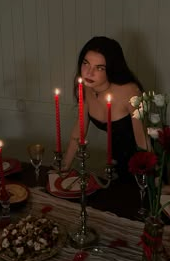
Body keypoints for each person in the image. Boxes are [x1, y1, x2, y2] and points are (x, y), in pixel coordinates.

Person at [62, 36, 149, 181]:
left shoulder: (130, 92)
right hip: (115, 159)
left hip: (144, 160)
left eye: (99, 68)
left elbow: (143, 140)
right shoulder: (84, 86)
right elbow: (79, 132)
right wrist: (64, 167)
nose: (89, 73)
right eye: (86, 64)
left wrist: (156, 181)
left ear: (111, 69)